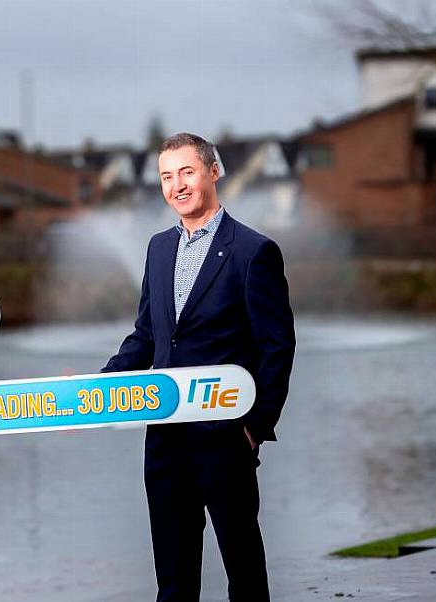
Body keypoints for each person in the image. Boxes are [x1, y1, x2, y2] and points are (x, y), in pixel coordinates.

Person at [102, 133, 295, 601]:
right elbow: (147, 336)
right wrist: (95, 391)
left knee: (244, 570)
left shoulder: (254, 251)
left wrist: (254, 425)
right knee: (173, 578)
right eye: (167, 177)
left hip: (225, 436)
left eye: (186, 172)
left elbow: (277, 346)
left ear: (214, 171)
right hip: (165, 437)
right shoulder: (158, 248)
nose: (177, 185)